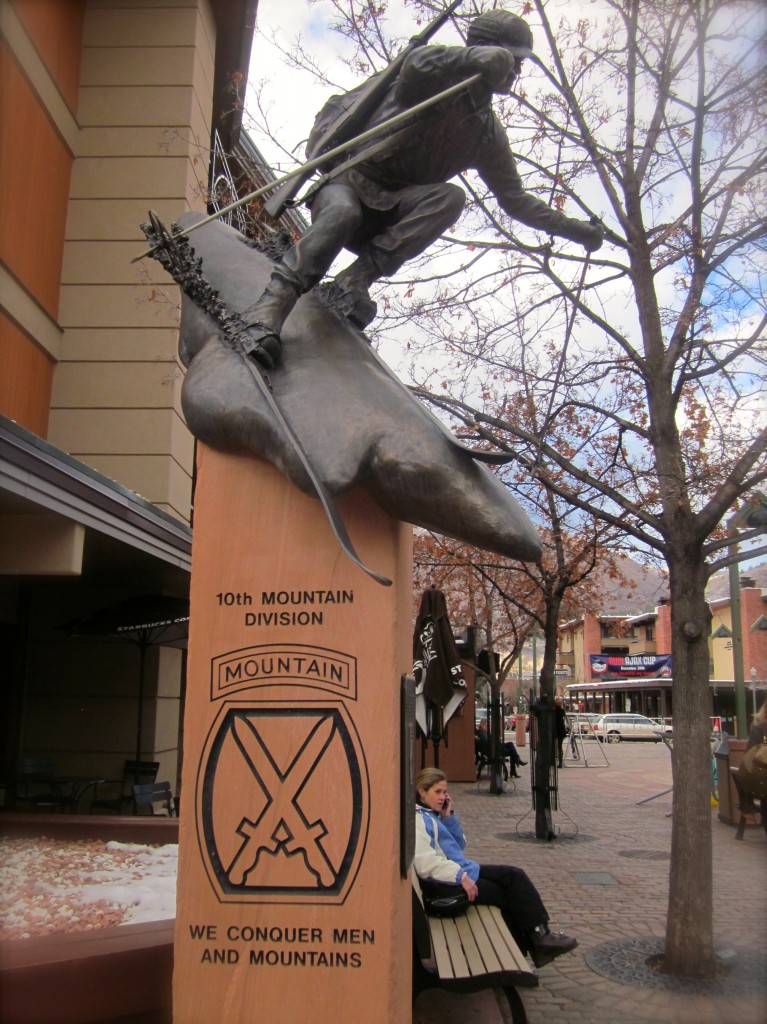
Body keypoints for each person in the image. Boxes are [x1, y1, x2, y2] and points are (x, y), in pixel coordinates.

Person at [241, 9, 604, 368]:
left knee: (450, 198)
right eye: (514, 59)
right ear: (490, 49)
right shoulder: (434, 79)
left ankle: (355, 280)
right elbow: (415, 64)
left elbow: (517, 200)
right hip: (348, 181)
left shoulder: (486, 133)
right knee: (342, 213)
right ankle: (269, 307)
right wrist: (471, 58)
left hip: (393, 210)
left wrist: (574, 230)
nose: (517, 71)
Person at [414, 767, 577, 968]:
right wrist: (459, 876)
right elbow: (424, 862)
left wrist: (449, 817)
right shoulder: (419, 820)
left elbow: (459, 845)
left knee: (514, 876)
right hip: (447, 887)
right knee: (507, 896)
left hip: (462, 873)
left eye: (445, 792)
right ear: (422, 791)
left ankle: (539, 937)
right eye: (437, 792)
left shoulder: (433, 815)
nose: (443, 797)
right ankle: (528, 948)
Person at [554, 696, 569, 769]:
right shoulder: (562, 711)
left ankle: (552, 761)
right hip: (561, 730)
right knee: (560, 747)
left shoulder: (553, 711)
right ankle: (560, 763)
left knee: (553, 746)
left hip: (555, 729)